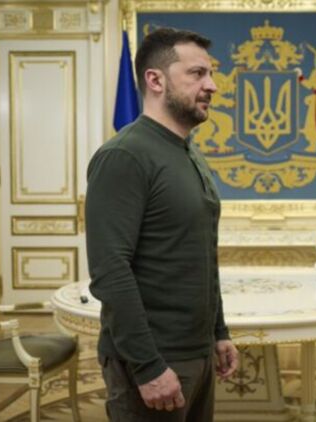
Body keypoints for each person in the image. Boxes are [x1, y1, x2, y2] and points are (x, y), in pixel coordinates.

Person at [85, 27, 239, 422]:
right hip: (154, 363)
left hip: (197, 354)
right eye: (197, 73)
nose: (212, 85)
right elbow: (110, 271)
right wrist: (148, 366)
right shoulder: (124, 156)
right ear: (155, 80)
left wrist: (218, 332)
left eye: (211, 74)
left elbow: (202, 253)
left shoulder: (190, 153)